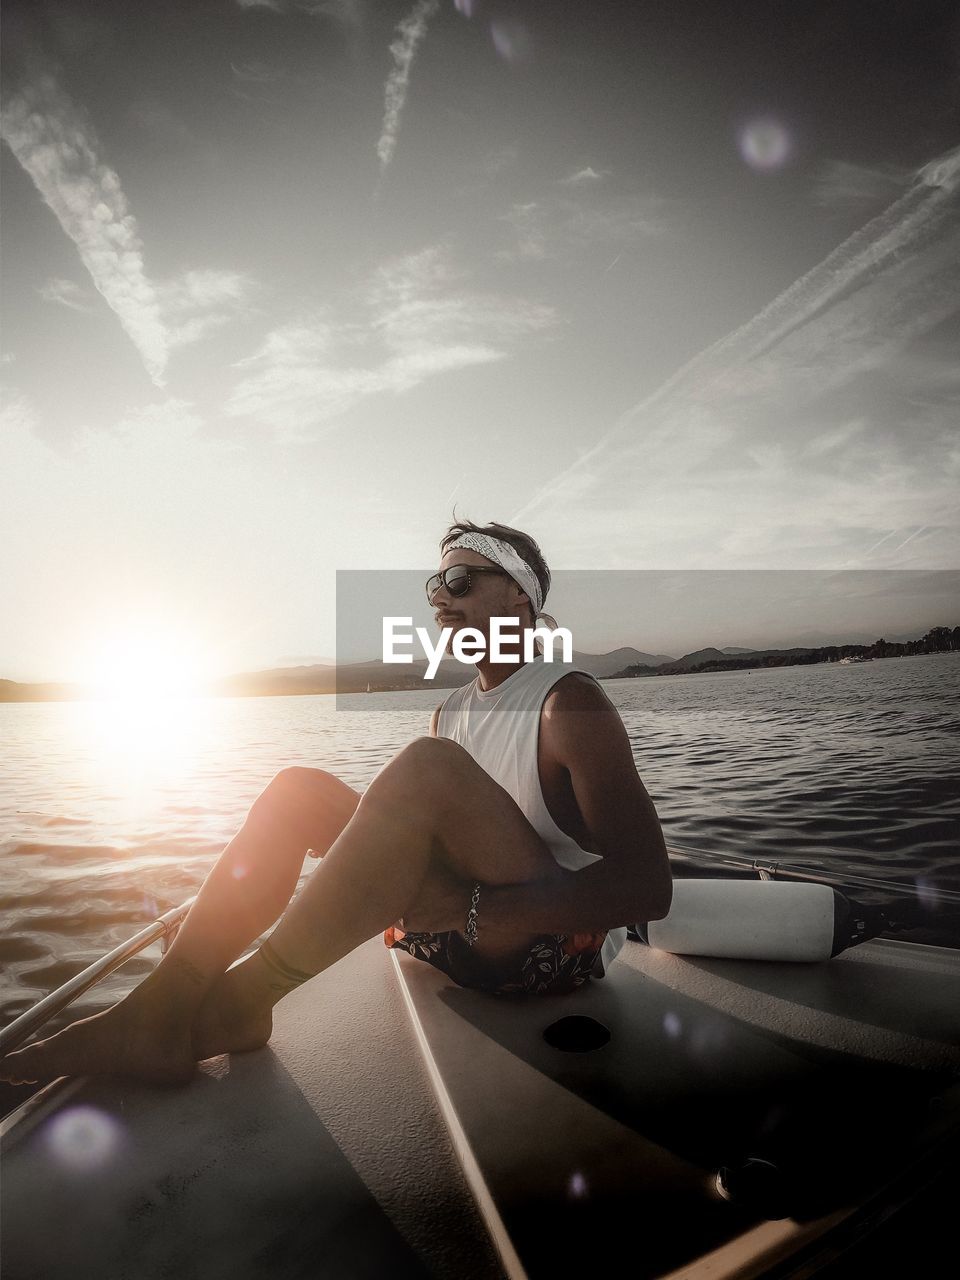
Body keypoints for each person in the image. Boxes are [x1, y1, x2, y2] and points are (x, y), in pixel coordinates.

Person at [0, 519, 672, 1087]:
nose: (441, 600)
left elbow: (646, 888)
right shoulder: (452, 709)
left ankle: (245, 999)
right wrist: (429, 897)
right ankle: (161, 1006)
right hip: (460, 935)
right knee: (297, 791)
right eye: (436, 586)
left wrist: (469, 907)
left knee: (427, 770)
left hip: (547, 956)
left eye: (462, 583)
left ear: (521, 600)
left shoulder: (568, 701)